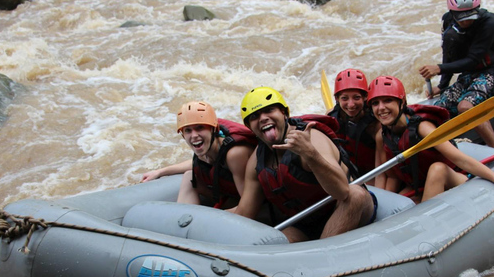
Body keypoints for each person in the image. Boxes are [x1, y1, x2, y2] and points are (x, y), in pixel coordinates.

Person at [233, 86, 375, 243]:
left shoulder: (312, 138)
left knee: (355, 195)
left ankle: (322, 256)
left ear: (284, 113)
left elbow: (342, 191)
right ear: (249, 127)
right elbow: (245, 212)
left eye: (269, 110)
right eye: (254, 116)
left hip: (344, 208)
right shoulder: (257, 160)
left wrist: (310, 154)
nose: (263, 118)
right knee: (282, 240)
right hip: (306, 222)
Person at [369, 75, 494, 203]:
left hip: (454, 179)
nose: (381, 108)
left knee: (437, 169)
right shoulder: (383, 135)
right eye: (375, 103)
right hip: (420, 186)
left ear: (402, 102)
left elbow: (460, 159)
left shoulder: (422, 128)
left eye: (388, 100)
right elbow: (391, 175)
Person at [418, 0, 494, 150]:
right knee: (436, 111)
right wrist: (442, 85)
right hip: (467, 76)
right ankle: (441, 152)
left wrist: (439, 68)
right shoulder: (448, 21)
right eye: (462, 16)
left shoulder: (489, 24)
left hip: (490, 73)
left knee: (465, 107)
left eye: (470, 16)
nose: (466, 21)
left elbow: (472, 60)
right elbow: (448, 54)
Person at [141, 101, 256, 209]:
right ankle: (181, 220)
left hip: (259, 210)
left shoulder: (235, 154)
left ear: (213, 129)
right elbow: (197, 163)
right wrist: (160, 172)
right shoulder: (206, 148)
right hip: (230, 197)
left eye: (200, 128)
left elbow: (249, 208)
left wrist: (208, 219)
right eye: (188, 130)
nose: (194, 135)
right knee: (189, 177)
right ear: (183, 135)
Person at [327, 68, 382, 184]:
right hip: (346, 173)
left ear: (365, 97)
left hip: (370, 176)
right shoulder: (331, 117)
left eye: (356, 97)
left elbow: (381, 171)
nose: (351, 105)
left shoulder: (376, 124)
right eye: (344, 98)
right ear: (336, 99)